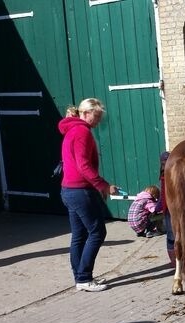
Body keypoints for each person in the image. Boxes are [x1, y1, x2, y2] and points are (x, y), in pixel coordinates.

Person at [58, 98, 119, 292]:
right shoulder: (82, 132)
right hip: (80, 191)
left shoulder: (72, 130)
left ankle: (80, 278)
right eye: (97, 115)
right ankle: (84, 277)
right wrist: (104, 186)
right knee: (97, 232)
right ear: (85, 113)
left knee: (79, 235)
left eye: (100, 116)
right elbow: (83, 166)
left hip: (69, 190)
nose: (99, 120)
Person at [155, 151, 175, 267]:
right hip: (169, 209)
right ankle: (175, 261)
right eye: (164, 161)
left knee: (171, 235)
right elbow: (163, 196)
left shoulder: (165, 175)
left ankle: (176, 261)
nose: (165, 163)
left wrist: (156, 208)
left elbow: (162, 197)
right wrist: (157, 208)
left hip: (169, 209)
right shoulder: (164, 176)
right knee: (172, 235)